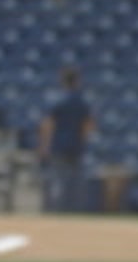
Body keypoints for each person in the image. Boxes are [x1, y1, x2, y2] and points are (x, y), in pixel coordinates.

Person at [37, 66, 96, 213]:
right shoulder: (82, 101)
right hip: (76, 146)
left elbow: (47, 125)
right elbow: (88, 126)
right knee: (76, 183)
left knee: (58, 181)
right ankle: (76, 213)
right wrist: (83, 141)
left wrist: (44, 146)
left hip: (58, 146)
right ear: (77, 81)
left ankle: (57, 212)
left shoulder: (57, 100)